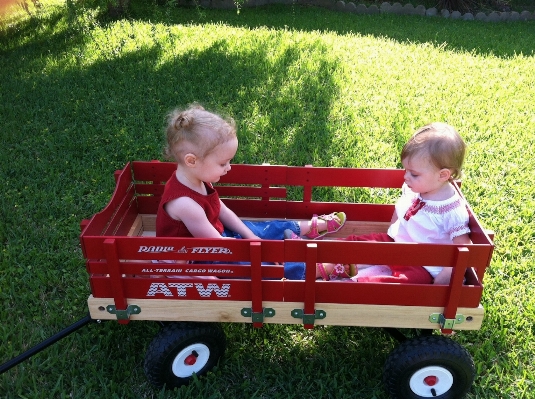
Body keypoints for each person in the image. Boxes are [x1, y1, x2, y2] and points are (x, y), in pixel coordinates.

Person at [285, 122, 471, 285]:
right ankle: (312, 257)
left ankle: (350, 283)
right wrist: (390, 236)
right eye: (405, 170)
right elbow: (400, 210)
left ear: (443, 175)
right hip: (395, 243)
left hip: (422, 265)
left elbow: (463, 249)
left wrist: (446, 276)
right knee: (355, 245)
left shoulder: (451, 211)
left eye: (414, 173)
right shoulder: (416, 187)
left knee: (402, 284)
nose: (406, 176)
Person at [156, 104, 346, 255]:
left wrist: (250, 235)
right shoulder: (184, 204)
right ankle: (316, 269)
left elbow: (221, 210)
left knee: (260, 229)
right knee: (253, 266)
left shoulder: (198, 177)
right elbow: (219, 247)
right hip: (198, 257)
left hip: (217, 238)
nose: (228, 168)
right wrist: (259, 251)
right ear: (192, 161)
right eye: (223, 163)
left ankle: (306, 229)